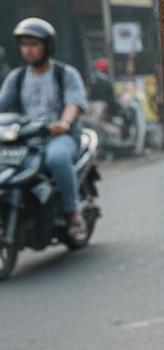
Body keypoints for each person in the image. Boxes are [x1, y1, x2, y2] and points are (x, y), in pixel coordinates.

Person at [0, 18, 88, 237]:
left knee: (56, 159)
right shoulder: (16, 77)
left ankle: (71, 212)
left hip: (59, 136)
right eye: (24, 44)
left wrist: (65, 123)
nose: (28, 50)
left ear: (46, 46)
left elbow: (74, 104)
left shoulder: (65, 73)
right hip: (25, 138)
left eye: (33, 44)